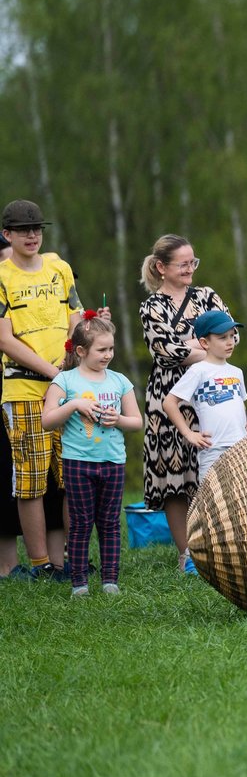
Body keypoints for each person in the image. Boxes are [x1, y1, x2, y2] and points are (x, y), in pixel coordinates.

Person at [0, 199, 102, 582]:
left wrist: (72, 358)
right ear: (7, 235)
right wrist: (52, 371)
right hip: (24, 389)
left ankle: (71, 560)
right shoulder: (2, 276)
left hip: (67, 386)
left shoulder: (59, 268)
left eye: (37, 229)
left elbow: (77, 317)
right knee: (30, 479)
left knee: (72, 476)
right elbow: (4, 339)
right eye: (23, 230)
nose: (32, 236)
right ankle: (41, 564)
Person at [139, 234, 229, 574]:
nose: (190, 268)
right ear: (161, 267)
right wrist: (205, 346)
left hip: (211, 392)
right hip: (169, 396)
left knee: (210, 469)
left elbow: (229, 335)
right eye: (183, 264)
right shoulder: (151, 307)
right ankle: (187, 553)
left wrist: (193, 345)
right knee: (175, 477)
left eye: (193, 262)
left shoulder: (208, 296)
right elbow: (167, 352)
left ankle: (215, 546)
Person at [41, 315, 141, 596]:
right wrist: (74, 404)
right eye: (102, 349)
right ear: (81, 351)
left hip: (113, 462)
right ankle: (79, 584)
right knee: (80, 524)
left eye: (111, 348)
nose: (108, 355)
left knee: (110, 523)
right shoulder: (64, 380)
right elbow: (47, 420)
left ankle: (110, 581)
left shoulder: (120, 381)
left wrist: (118, 420)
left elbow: (136, 421)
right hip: (78, 462)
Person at [162, 310, 247, 487]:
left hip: (241, 447)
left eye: (232, 336)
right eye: (222, 337)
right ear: (204, 343)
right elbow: (169, 402)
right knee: (213, 498)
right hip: (213, 450)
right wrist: (188, 433)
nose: (230, 342)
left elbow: (240, 402)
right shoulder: (198, 371)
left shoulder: (236, 372)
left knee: (243, 497)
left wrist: (244, 425)